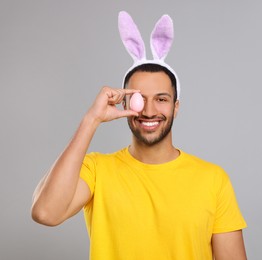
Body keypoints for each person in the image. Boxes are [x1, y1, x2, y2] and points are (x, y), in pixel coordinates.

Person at [31, 12, 247, 260]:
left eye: (161, 99)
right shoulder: (97, 170)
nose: (149, 110)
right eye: (138, 98)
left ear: (176, 107)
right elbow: (45, 213)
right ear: (123, 103)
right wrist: (91, 119)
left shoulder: (213, 180)